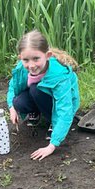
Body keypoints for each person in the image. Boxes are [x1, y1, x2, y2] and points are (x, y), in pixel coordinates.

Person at [5, 31, 81, 160]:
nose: (31, 65)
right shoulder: (22, 67)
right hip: (40, 95)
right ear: (20, 58)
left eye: (36, 59)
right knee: (18, 102)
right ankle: (37, 112)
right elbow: (13, 86)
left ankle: (52, 121)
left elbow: (65, 109)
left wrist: (52, 145)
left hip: (57, 103)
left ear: (47, 56)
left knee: (35, 89)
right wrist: (11, 107)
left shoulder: (59, 75)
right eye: (26, 60)